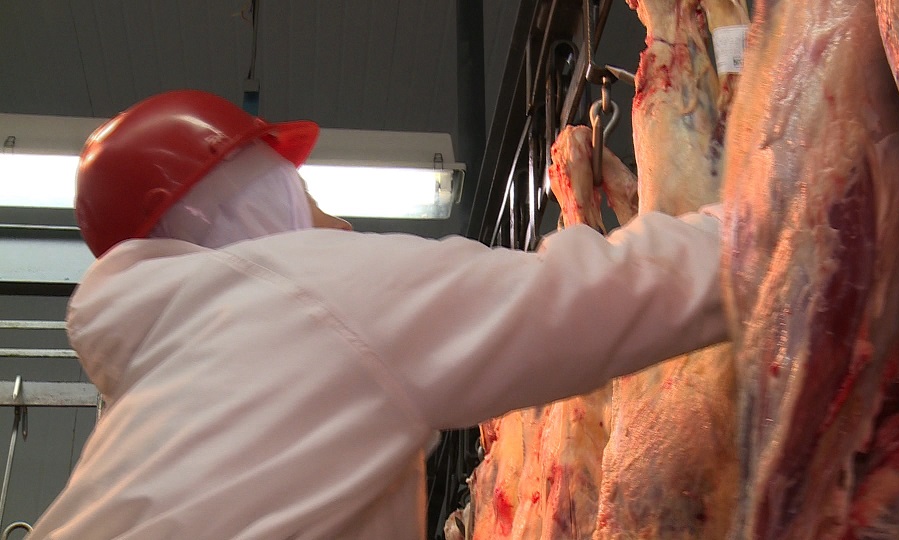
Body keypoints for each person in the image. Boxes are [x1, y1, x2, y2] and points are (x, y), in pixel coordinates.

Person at [28, 89, 725, 539]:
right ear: (255, 201)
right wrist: (772, 221)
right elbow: (589, 301)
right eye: (300, 191)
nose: (336, 219)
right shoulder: (305, 295)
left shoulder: (164, 382)